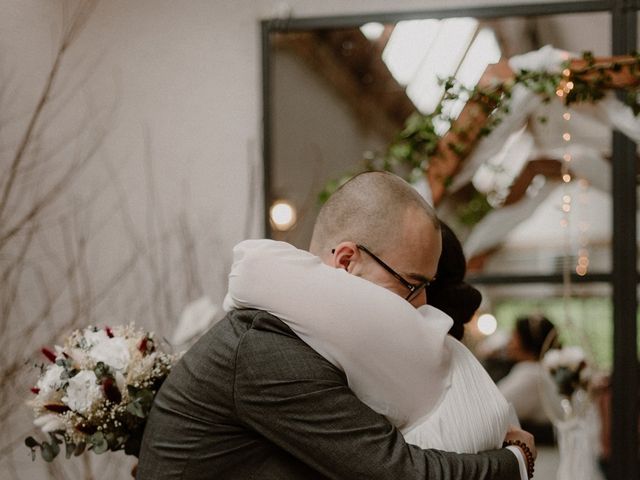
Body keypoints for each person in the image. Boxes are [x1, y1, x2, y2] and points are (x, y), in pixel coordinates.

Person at [137, 171, 534, 479]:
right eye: (413, 284)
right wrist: (516, 460)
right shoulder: (267, 350)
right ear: (346, 261)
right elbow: (400, 473)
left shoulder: (312, 335)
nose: (424, 304)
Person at [497, 314, 559, 443]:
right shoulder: (539, 370)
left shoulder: (531, 375)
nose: (508, 342)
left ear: (525, 341)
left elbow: (497, 410)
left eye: (514, 337)